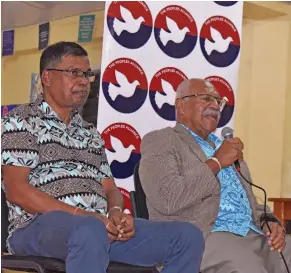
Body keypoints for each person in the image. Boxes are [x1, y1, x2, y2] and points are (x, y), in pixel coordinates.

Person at [1, 42, 205, 273]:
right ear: (47, 78)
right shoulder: (20, 121)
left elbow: (110, 189)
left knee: (187, 237)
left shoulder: (90, 133)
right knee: (89, 229)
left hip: (97, 230)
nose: (83, 81)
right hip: (35, 227)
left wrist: (116, 213)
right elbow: (17, 190)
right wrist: (83, 216)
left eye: (87, 75)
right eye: (74, 72)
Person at [140, 78, 291, 273]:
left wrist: (269, 221)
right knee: (249, 266)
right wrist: (217, 162)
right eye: (205, 98)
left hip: (253, 234)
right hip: (203, 235)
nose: (214, 105)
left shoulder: (226, 148)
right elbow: (167, 197)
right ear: (181, 105)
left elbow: (250, 202)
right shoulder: (162, 140)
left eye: (218, 101)